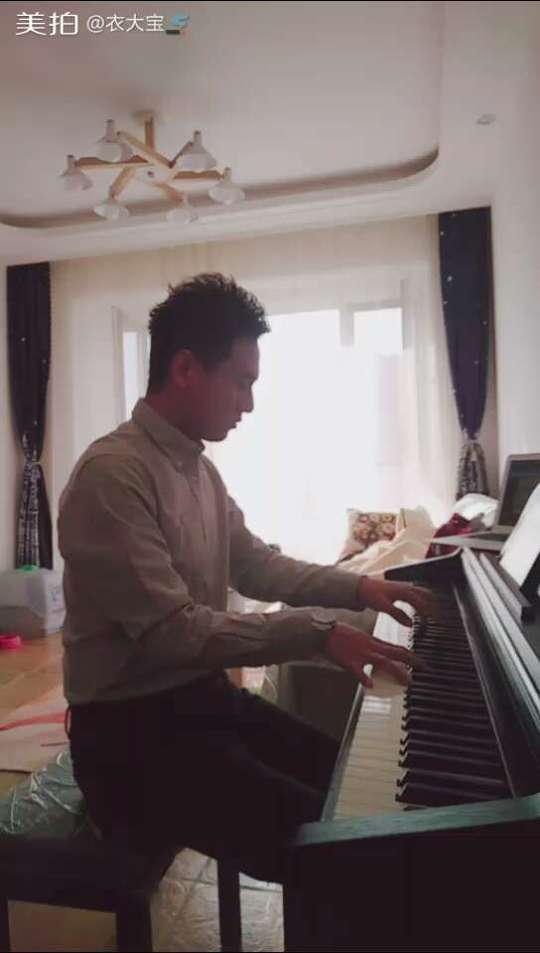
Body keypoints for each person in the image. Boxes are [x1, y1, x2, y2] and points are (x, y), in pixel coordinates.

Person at [58, 272, 433, 883]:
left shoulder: (199, 471)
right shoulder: (112, 475)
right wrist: (316, 633)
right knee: (340, 848)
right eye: (242, 381)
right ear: (185, 369)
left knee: (350, 784)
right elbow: (174, 633)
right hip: (128, 742)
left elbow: (256, 564)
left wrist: (359, 588)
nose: (249, 404)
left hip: (198, 704)